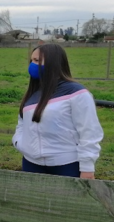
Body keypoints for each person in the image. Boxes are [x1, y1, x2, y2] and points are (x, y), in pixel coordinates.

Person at [13, 43, 103, 178]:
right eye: (31, 60)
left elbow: (89, 132)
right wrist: (19, 143)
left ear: (53, 63)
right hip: (31, 163)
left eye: (37, 61)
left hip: (67, 165)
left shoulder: (77, 93)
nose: (32, 65)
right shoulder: (32, 93)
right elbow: (22, 124)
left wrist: (87, 168)